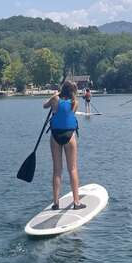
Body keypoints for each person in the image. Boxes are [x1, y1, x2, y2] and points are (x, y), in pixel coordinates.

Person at [43, 81, 86, 210]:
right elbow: (68, 114)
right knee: (72, 169)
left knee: (57, 170)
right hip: (69, 136)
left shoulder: (55, 99)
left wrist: (54, 95)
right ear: (73, 91)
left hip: (55, 136)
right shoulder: (75, 103)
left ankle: (55, 203)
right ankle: (76, 202)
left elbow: (45, 106)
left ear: (62, 89)